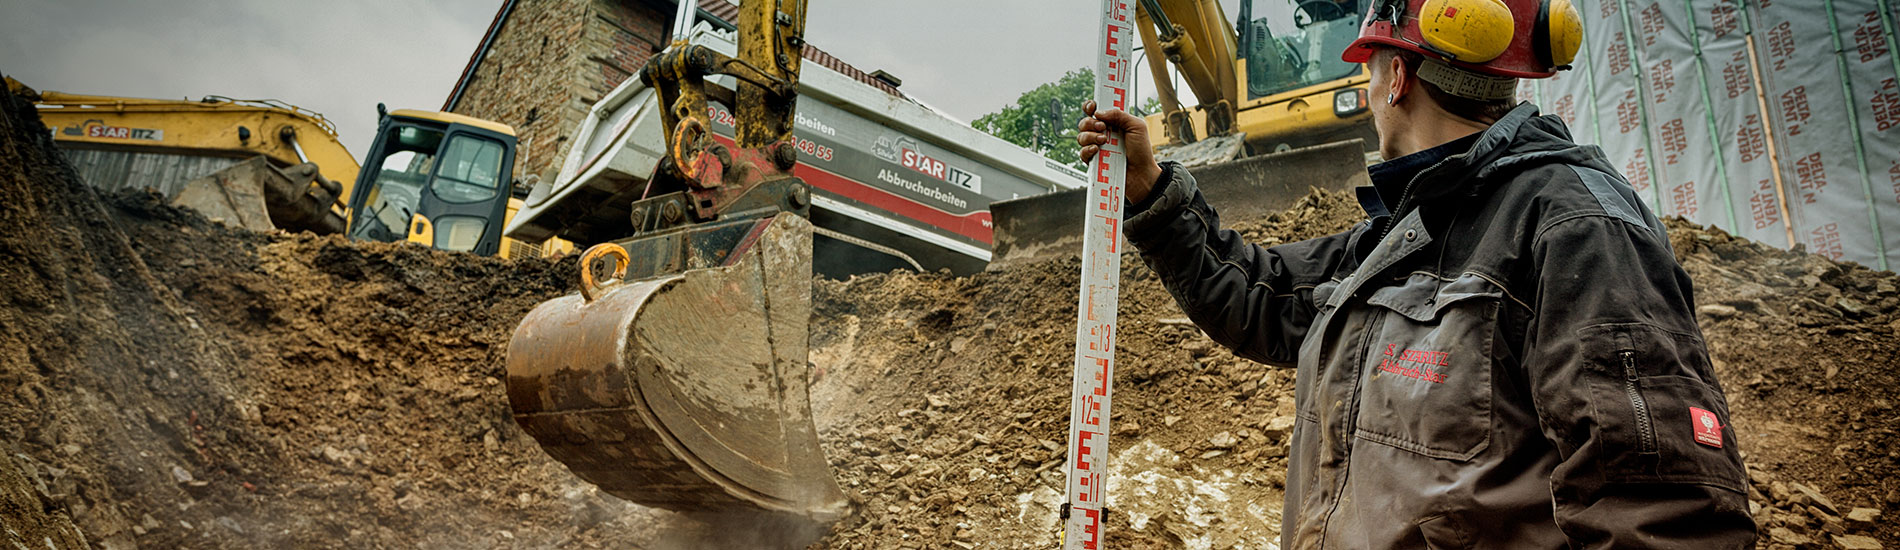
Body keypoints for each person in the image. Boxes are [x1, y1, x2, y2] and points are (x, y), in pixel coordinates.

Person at [1077, 0, 1758, 547]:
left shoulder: (1576, 229)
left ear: (1396, 77)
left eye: (1370, 68)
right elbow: (1263, 298)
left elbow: (1664, 515)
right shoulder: (1412, 231)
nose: (1369, 87)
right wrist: (1152, 190)